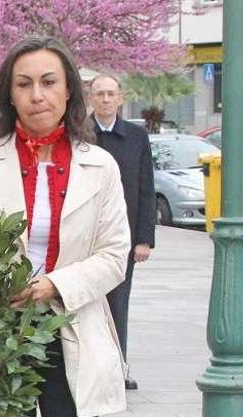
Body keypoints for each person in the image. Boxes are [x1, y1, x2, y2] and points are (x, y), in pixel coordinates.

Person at [0, 37, 130, 417]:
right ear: (9, 94)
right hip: (3, 337)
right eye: (24, 84)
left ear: (69, 91)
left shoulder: (100, 165)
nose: (37, 95)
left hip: (73, 328)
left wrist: (54, 285)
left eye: (48, 82)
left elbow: (115, 254)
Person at [89, 74, 156, 391]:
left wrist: (143, 239)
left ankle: (118, 367)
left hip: (122, 237)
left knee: (118, 303)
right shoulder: (79, 133)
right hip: (84, 235)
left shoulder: (136, 136)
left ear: (120, 98)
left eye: (110, 94)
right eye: (99, 93)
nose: (104, 99)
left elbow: (146, 188)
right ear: (90, 98)